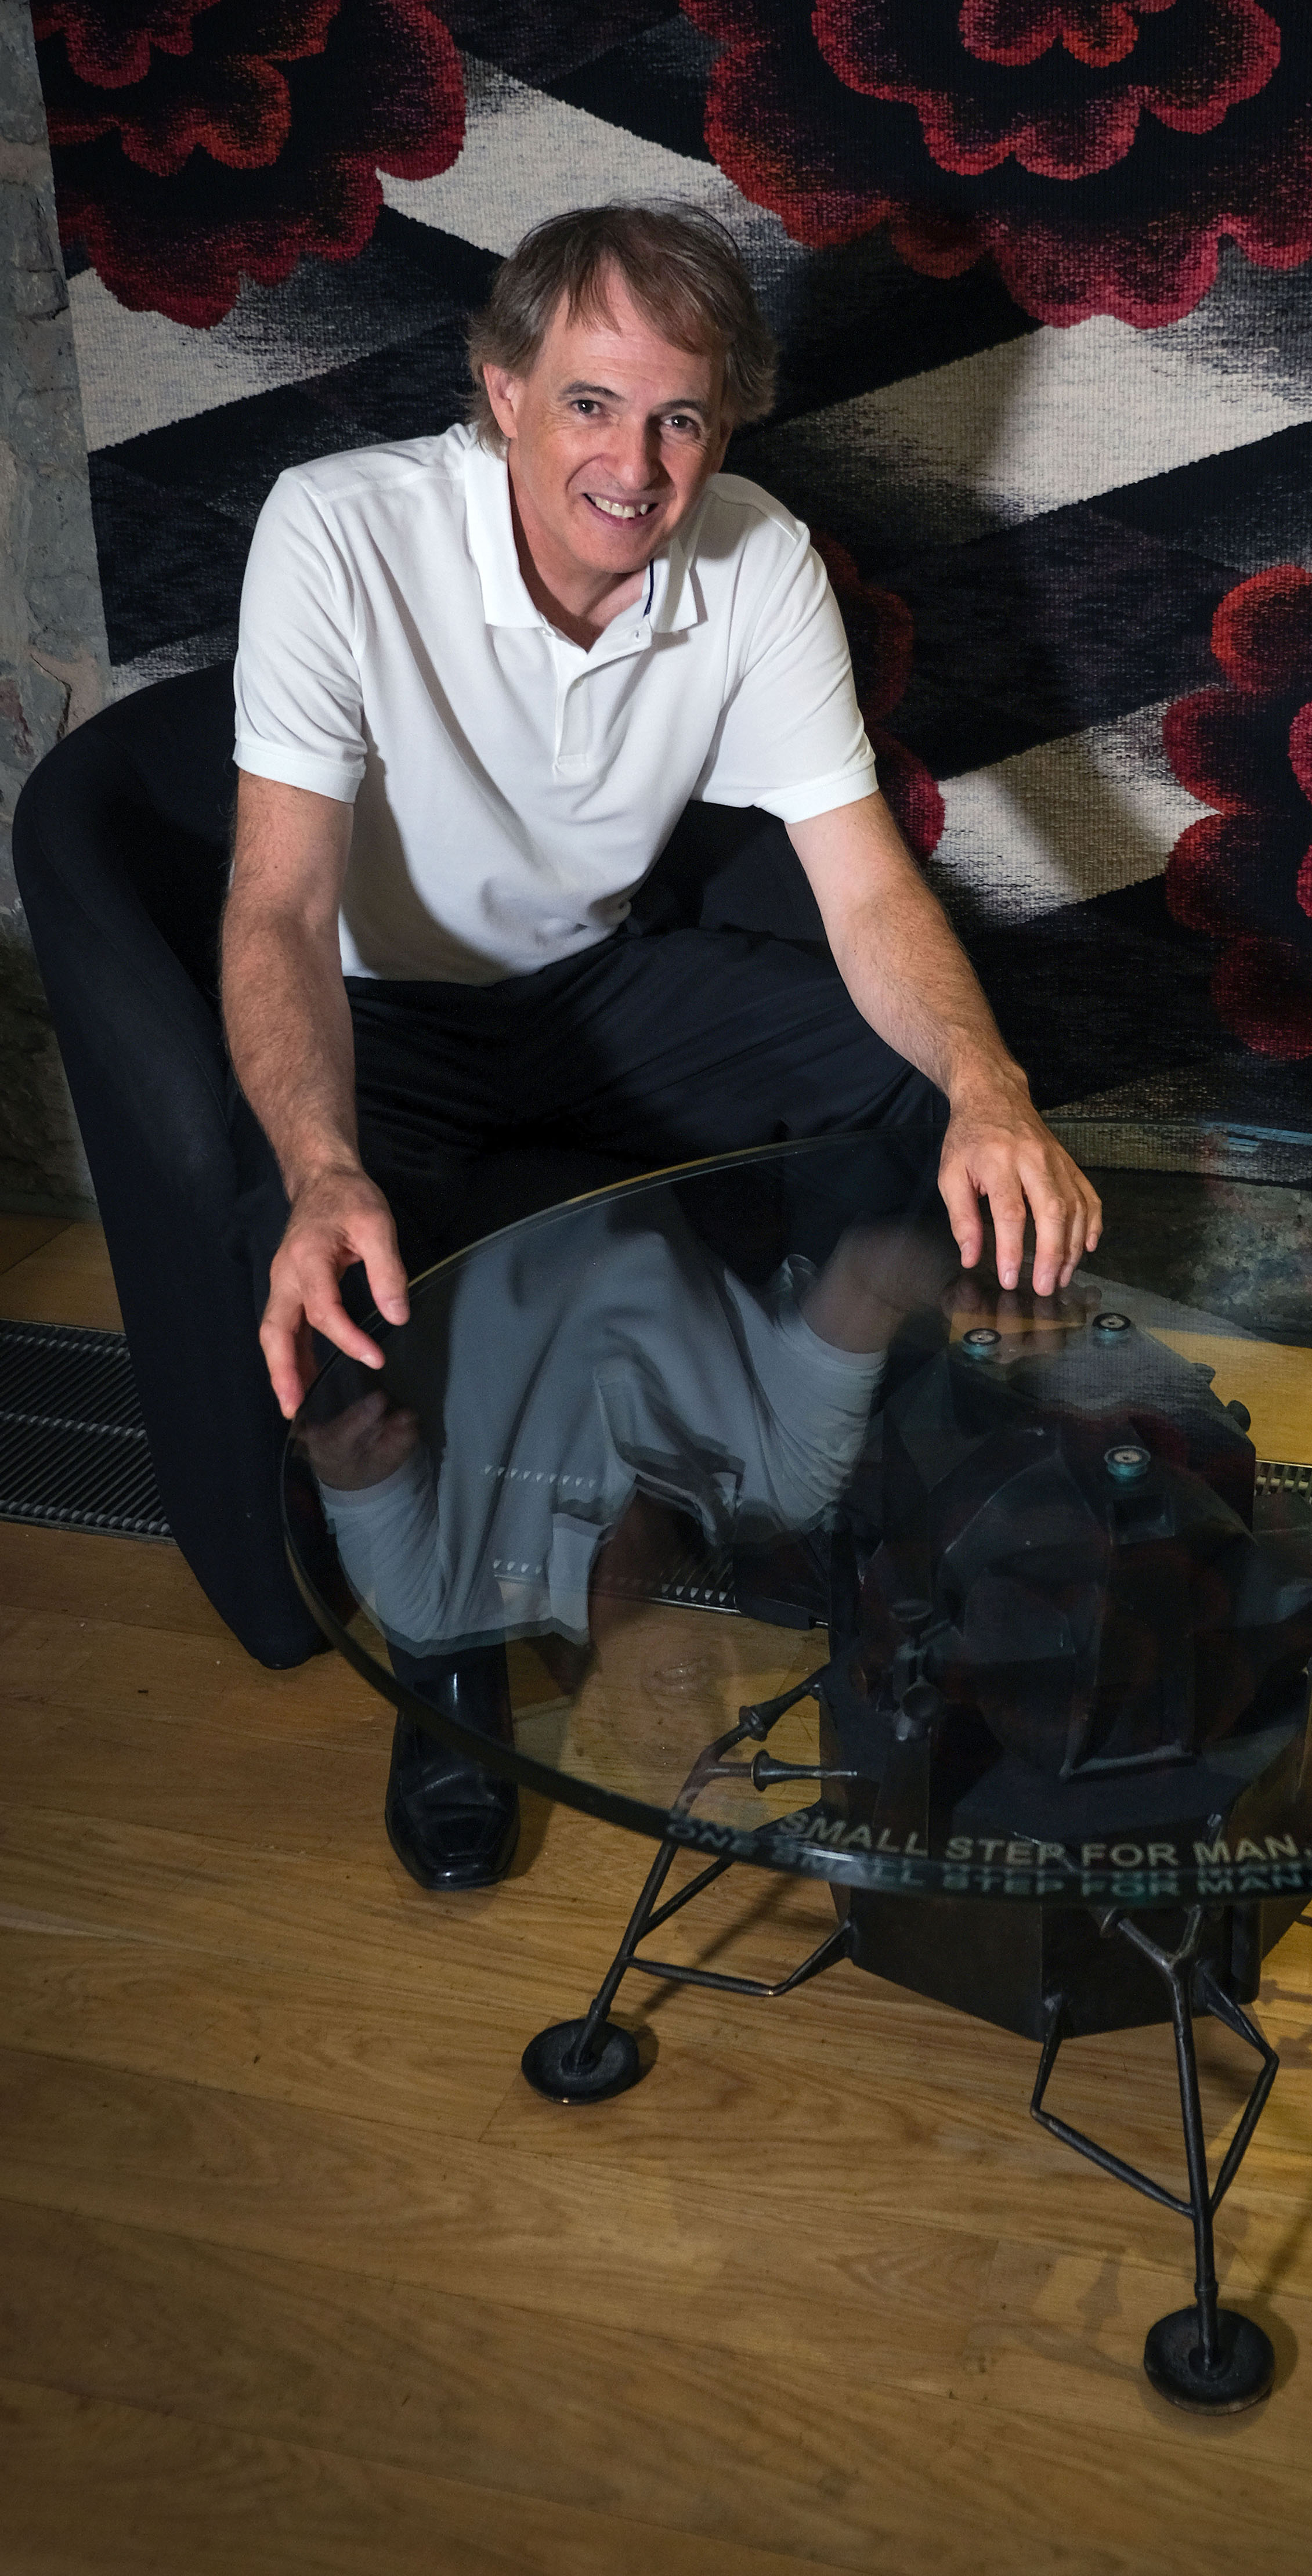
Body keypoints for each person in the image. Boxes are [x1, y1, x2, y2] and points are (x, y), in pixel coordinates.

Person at [220, 202, 1101, 1891]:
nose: (635, 461)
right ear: (500, 393)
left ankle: (807, 1480)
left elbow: (862, 885)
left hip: (597, 981)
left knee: (908, 1088)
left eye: (681, 415)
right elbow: (274, 904)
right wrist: (322, 1167)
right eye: (592, 404)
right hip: (381, 1009)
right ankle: (446, 1650)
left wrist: (993, 1093)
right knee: (325, 1291)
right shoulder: (338, 531)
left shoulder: (756, 557)